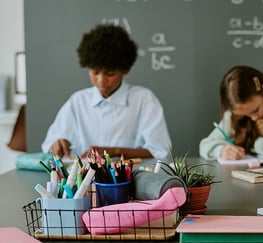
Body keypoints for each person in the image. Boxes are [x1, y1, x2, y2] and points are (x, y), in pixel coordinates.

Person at [41, 24, 171, 160]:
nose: (101, 80)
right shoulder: (78, 101)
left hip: (133, 178)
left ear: (125, 69)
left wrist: (114, 151)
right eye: (95, 72)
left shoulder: (143, 99)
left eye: (110, 73)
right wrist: (58, 144)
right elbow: (49, 146)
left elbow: (160, 152)